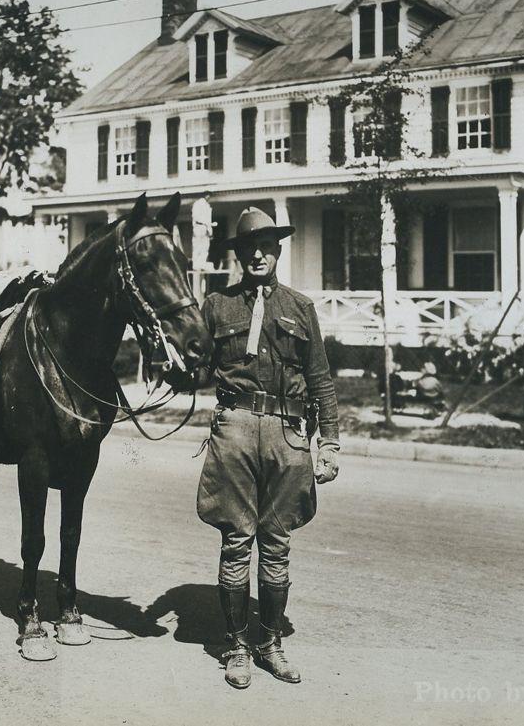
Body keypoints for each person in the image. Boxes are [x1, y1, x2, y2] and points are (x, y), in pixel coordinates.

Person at [194, 206, 339, 689]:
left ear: (278, 250)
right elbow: (194, 368)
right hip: (234, 427)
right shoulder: (216, 306)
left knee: (277, 544)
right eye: (248, 248)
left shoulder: (300, 308)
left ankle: (270, 643)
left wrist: (331, 441)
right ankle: (235, 646)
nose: (258, 254)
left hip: (288, 431)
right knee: (237, 541)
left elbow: (320, 378)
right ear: (237, 256)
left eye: (267, 246)